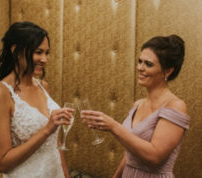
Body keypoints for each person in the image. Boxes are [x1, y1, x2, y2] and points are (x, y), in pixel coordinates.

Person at [81, 34, 190, 178]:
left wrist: (113, 126)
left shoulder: (175, 106)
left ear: (168, 71)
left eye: (148, 64)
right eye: (140, 62)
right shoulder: (138, 104)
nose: (140, 68)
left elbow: (154, 156)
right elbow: (131, 153)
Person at [0, 21, 72, 178]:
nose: (44, 59)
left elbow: (55, 142)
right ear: (15, 51)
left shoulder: (43, 86)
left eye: (46, 53)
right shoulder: (0, 93)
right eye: (38, 52)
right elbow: (3, 163)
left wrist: (66, 175)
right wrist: (46, 130)